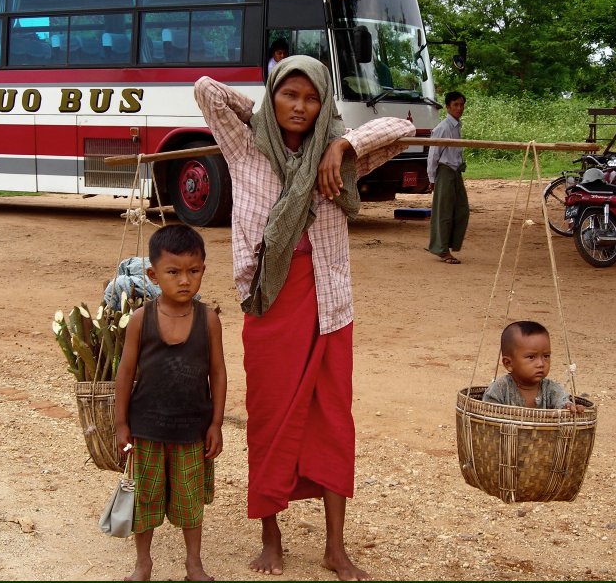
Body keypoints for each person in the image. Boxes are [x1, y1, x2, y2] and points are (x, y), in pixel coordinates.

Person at [194, 55, 414, 581]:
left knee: (334, 421)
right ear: (272, 97)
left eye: (311, 98)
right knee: (269, 419)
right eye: (288, 95)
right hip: (270, 306)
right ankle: (271, 536)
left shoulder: (338, 160)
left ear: (324, 106)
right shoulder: (245, 149)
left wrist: (341, 144)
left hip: (330, 306)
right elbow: (206, 90)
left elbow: (403, 130)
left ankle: (335, 548)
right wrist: (259, 114)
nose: (300, 106)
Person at [114, 223, 227, 582]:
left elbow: (218, 373)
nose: (184, 281)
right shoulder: (140, 320)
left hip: (191, 430)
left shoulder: (208, 320)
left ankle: (194, 564)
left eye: (193, 272)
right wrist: (120, 424)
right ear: (153, 275)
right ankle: (142, 563)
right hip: (146, 428)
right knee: (144, 501)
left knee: (190, 501)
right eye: (173, 272)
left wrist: (216, 424)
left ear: (203, 271)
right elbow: (125, 373)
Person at [482, 321, 585, 413]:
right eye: (531, 357)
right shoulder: (499, 390)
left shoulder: (551, 389)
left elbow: (563, 402)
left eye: (546, 356)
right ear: (508, 363)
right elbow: (488, 414)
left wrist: (569, 407)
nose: (541, 363)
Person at [426, 91, 469, 264]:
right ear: (448, 107)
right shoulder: (443, 128)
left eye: (461, 105)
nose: (459, 108)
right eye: (455, 105)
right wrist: (432, 178)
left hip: (455, 172)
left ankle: (448, 244)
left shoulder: (457, 126)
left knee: (461, 210)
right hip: (444, 172)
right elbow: (433, 154)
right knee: (443, 212)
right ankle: (442, 250)